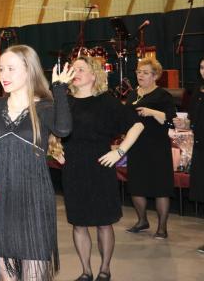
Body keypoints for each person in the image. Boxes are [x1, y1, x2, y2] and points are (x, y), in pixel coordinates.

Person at [0, 45, 73, 281]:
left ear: (29, 70)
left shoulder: (44, 107)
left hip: (35, 200)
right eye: (1, 69)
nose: (4, 75)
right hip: (0, 199)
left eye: (11, 69)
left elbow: (63, 129)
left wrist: (60, 89)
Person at [60, 56, 144, 281]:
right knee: (78, 223)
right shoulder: (66, 101)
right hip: (73, 169)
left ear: (94, 74)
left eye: (81, 69)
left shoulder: (106, 101)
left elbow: (137, 125)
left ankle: (104, 270)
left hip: (100, 166)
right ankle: (86, 271)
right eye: (73, 69)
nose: (76, 72)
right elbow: (51, 128)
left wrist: (120, 152)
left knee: (104, 223)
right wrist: (54, 150)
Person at [125, 58, 176, 240]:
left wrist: (151, 112)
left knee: (161, 187)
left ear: (155, 76)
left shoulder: (163, 95)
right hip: (136, 146)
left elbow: (171, 120)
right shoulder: (133, 94)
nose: (140, 75)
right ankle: (142, 221)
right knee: (136, 186)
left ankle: (162, 228)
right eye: (139, 72)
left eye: (145, 73)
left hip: (157, 146)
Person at [173, 57, 204, 253]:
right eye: (201, 67)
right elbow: (192, 120)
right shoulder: (197, 91)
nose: (203, 71)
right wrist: (182, 124)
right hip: (200, 148)